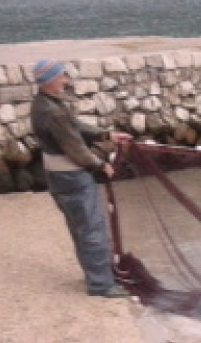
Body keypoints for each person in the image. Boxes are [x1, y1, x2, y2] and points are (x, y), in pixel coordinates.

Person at [29, 58, 130, 298]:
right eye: (61, 75)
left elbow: (75, 126)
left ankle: (95, 275)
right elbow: (75, 147)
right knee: (91, 228)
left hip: (57, 177)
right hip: (72, 177)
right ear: (51, 79)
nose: (64, 79)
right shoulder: (53, 112)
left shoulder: (43, 104)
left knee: (80, 227)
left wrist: (106, 135)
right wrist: (100, 166)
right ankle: (101, 285)